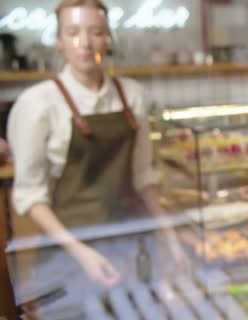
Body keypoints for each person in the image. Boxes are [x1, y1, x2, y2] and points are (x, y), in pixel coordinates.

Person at [7, 0, 188, 293]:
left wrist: (171, 240)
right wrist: (82, 254)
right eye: (73, 32)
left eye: (96, 32)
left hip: (132, 243)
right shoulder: (37, 105)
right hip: (69, 254)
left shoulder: (133, 95)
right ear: (59, 41)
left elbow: (144, 178)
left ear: (108, 39)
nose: (85, 43)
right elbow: (30, 196)